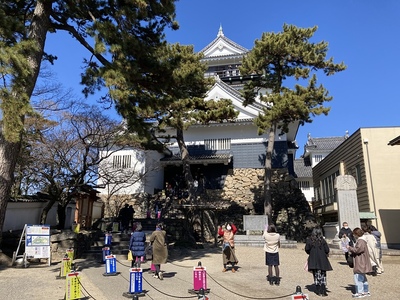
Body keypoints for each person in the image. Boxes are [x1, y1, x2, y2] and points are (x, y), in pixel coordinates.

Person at [305, 228, 333, 297]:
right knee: (323, 274)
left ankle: (318, 289)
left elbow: (307, 249)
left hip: (314, 259)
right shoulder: (322, 241)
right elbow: (327, 250)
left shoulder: (310, 240)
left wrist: (311, 253)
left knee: (316, 274)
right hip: (322, 259)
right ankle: (323, 290)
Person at [347, 227, 373, 298]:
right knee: (363, 278)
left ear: (356, 234)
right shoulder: (363, 240)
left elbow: (357, 250)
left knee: (358, 278)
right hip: (363, 261)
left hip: (360, 262)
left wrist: (349, 248)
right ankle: (365, 291)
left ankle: (360, 292)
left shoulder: (361, 241)